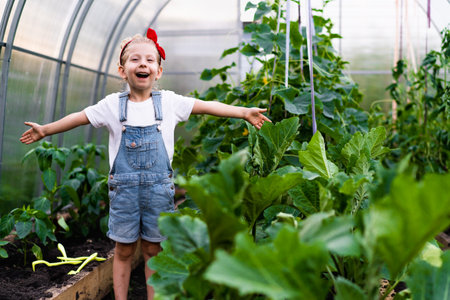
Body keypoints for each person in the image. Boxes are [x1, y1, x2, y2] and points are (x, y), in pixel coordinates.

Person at [20, 28, 271, 300]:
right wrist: (46, 130)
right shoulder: (112, 106)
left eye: (150, 60)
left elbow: (207, 105)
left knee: (153, 251)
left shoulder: (171, 103)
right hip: (124, 193)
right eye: (135, 59)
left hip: (158, 192)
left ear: (158, 71)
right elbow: (79, 117)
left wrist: (243, 112)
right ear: (122, 70)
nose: (143, 64)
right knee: (124, 251)